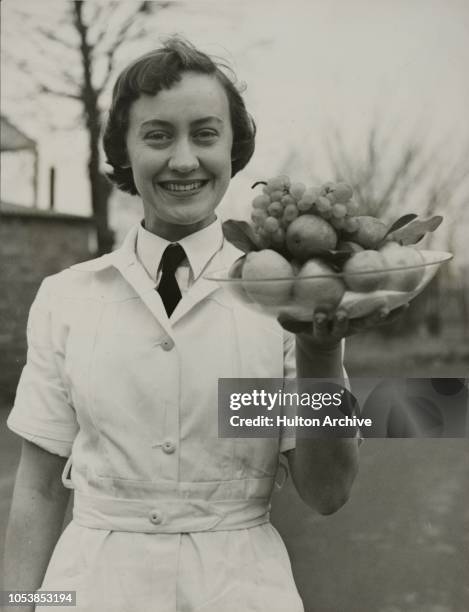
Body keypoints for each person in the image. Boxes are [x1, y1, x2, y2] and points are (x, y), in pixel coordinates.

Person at [4, 36, 396, 612]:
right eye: (158, 135)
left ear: (233, 150)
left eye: (205, 135)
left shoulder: (283, 298)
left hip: (241, 592)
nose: (184, 160)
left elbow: (326, 491)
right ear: (124, 151)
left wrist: (319, 355)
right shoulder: (67, 298)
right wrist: (24, 605)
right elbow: (37, 491)